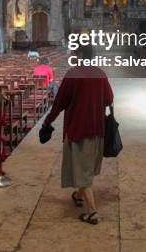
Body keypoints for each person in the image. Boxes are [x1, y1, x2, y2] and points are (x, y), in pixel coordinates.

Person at [41, 46, 113, 225]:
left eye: (75, 54)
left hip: (79, 130)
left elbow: (58, 104)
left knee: (82, 171)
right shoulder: (100, 73)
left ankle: (93, 212)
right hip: (97, 129)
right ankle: (78, 195)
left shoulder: (74, 74)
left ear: (80, 55)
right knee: (86, 167)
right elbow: (109, 98)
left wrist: (47, 122)